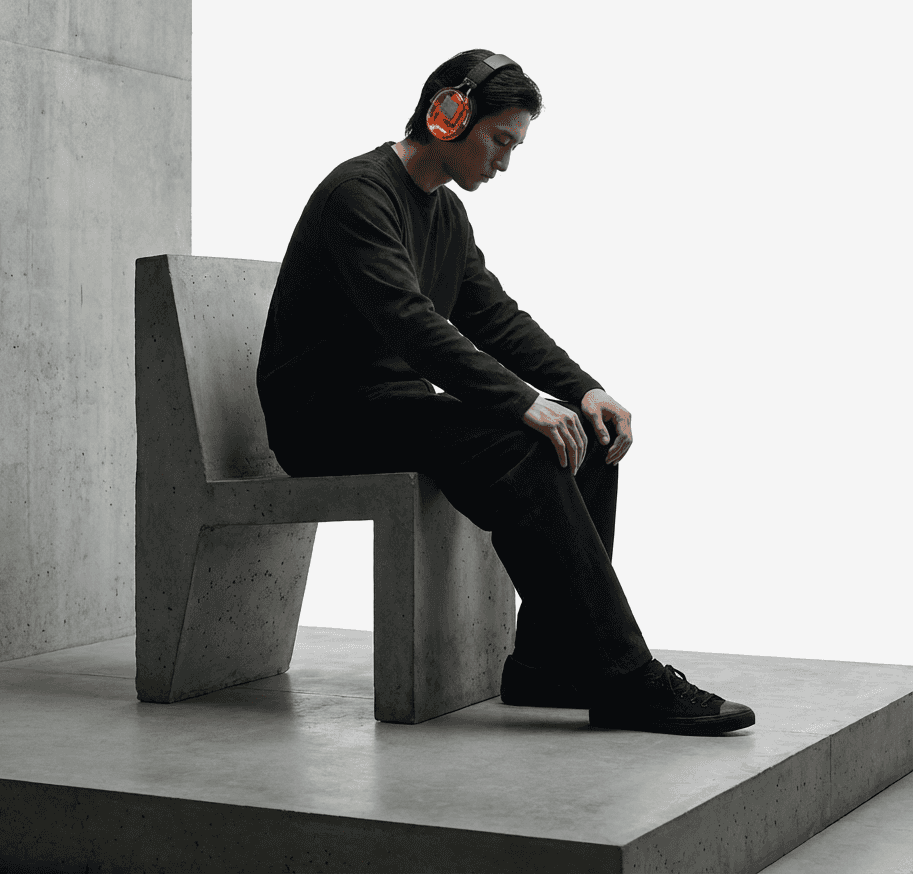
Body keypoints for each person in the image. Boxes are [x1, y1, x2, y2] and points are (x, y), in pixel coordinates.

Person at [256, 49, 755, 736]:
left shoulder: (447, 218)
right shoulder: (359, 194)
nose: (504, 162)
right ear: (449, 114)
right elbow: (410, 322)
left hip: (391, 407)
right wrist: (521, 402)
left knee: (586, 441)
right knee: (526, 446)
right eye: (500, 141)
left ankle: (550, 667)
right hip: (326, 417)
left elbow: (495, 318)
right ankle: (628, 679)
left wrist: (582, 391)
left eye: (514, 147)